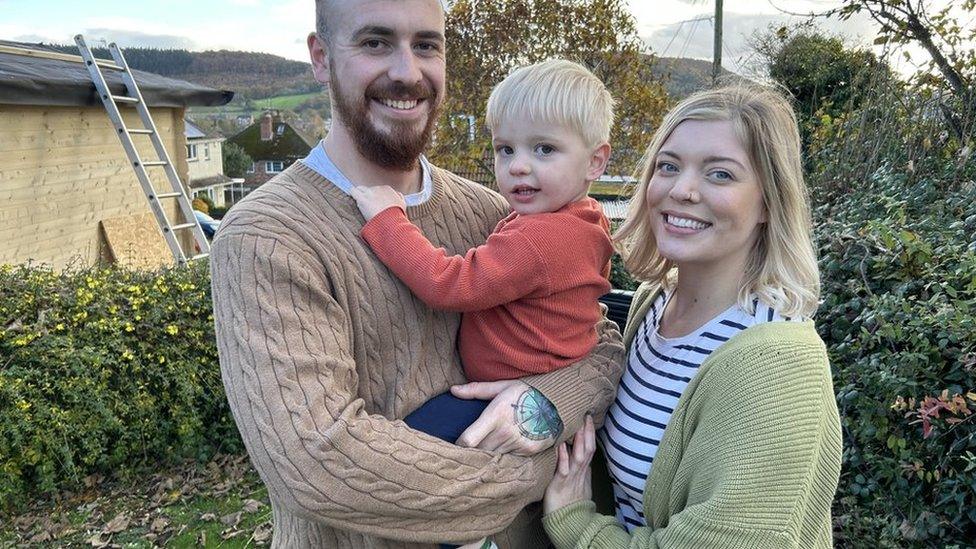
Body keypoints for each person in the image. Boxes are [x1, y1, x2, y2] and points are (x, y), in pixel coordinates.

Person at [208, 0, 625, 547]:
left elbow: (600, 342)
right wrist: (543, 470)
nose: (407, 72)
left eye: (426, 45)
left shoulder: (496, 211)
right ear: (321, 57)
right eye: (375, 42)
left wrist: (544, 408)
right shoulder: (268, 236)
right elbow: (320, 464)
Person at [541, 84, 843, 548]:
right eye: (669, 166)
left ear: (768, 202)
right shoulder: (654, 304)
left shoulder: (777, 369)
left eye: (720, 174)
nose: (681, 190)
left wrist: (575, 523)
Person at [350, 59, 615, 549]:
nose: (518, 165)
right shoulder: (584, 220)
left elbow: (451, 284)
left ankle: (469, 540)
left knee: (415, 451)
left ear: (595, 162)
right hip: (536, 383)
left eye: (544, 149)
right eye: (504, 148)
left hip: (502, 394)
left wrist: (389, 220)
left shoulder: (542, 237)